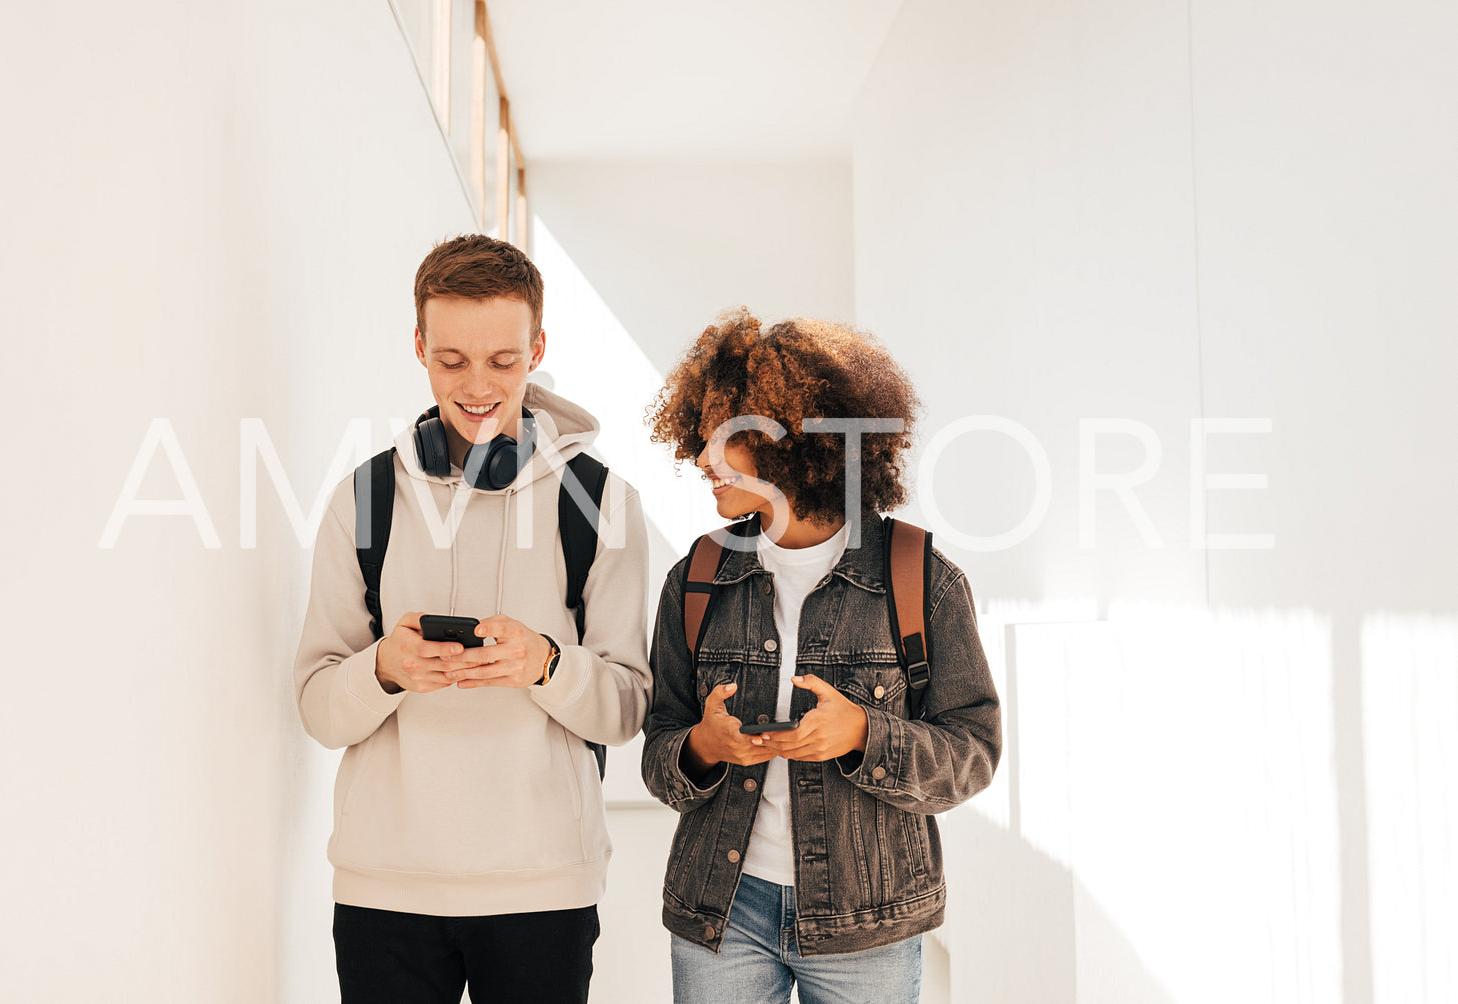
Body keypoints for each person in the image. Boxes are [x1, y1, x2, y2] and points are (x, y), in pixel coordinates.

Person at [294, 234, 651, 1003]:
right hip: (384, 887)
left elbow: (628, 708)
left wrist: (547, 665)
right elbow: (319, 708)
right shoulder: (363, 499)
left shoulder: (602, 503)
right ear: (419, 347)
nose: (477, 384)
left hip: (542, 887)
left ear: (539, 347)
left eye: (503, 360)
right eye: (451, 360)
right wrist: (383, 670)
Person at [642, 309, 1001, 1004]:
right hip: (720, 912)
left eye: (727, 438)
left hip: (869, 921)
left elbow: (972, 754)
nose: (700, 458)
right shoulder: (696, 578)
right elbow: (660, 755)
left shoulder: (920, 578)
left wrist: (864, 735)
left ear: (794, 442)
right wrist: (702, 748)